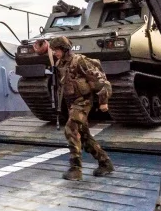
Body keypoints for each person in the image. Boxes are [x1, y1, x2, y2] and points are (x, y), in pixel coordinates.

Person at [48, 36, 115, 181]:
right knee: (84, 136)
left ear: (64, 49)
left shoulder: (80, 61)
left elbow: (101, 81)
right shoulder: (60, 63)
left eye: (56, 50)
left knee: (70, 129)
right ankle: (105, 162)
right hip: (71, 103)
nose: (54, 53)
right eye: (53, 51)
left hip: (83, 101)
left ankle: (75, 169)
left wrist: (103, 101)